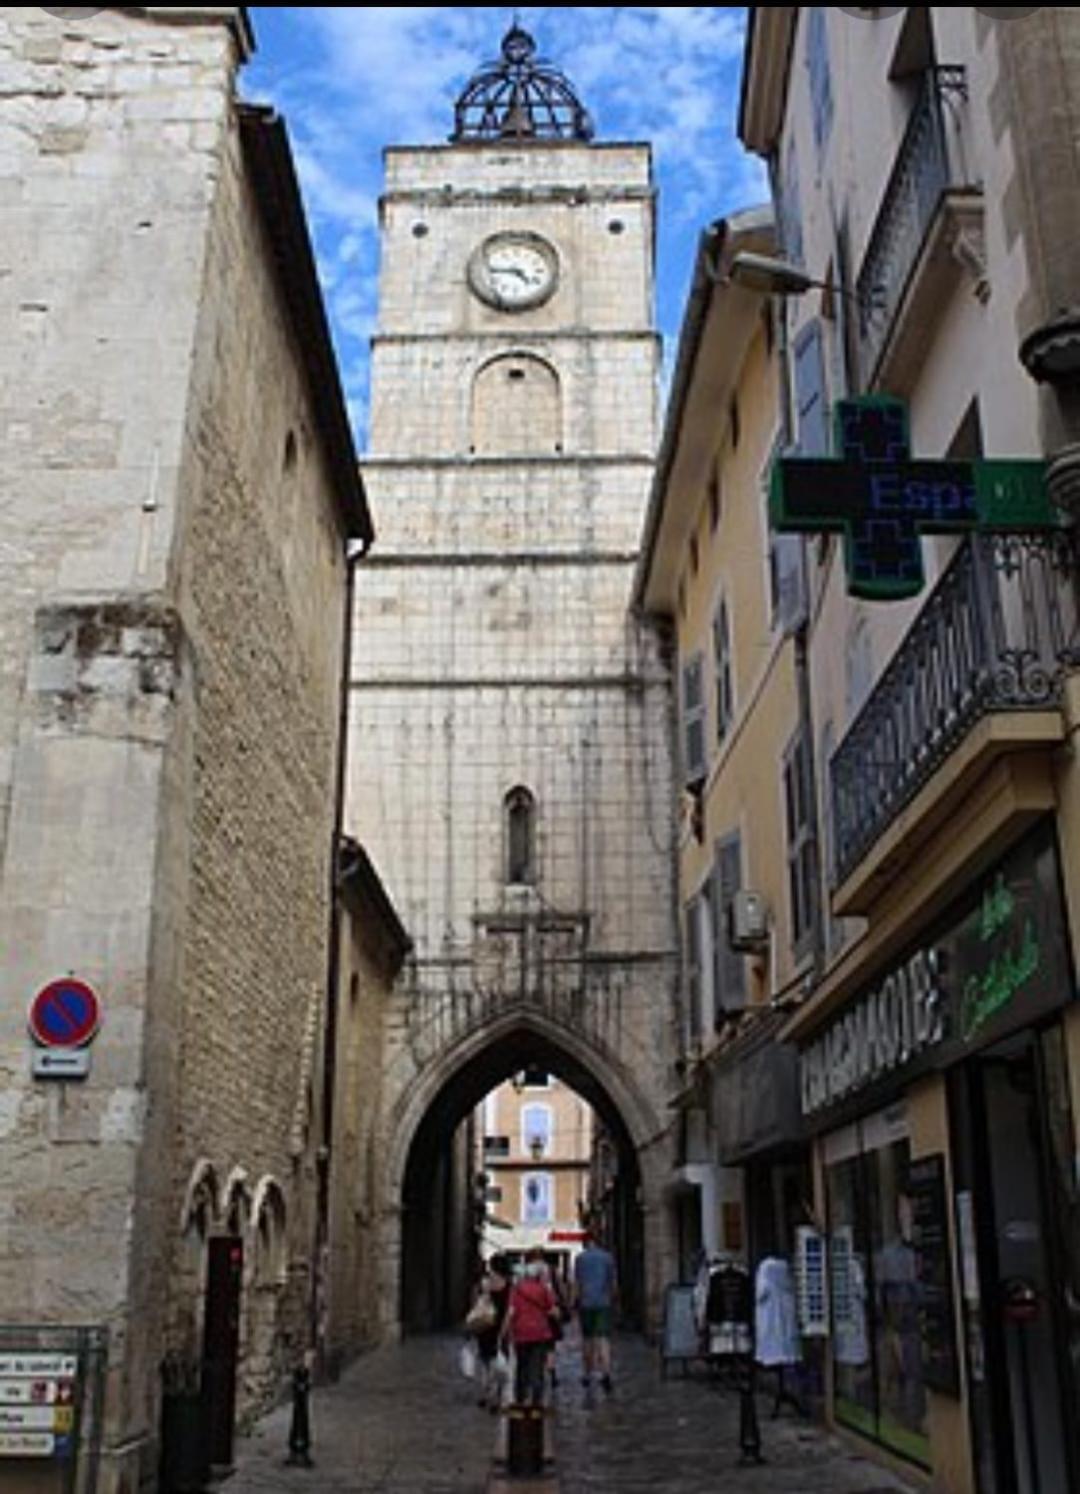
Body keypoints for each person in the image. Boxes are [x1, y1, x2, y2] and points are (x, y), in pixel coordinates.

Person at [501, 1247, 560, 1406]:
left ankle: (520, 1398)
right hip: (540, 1333)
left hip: (520, 1333)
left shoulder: (516, 1290)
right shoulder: (543, 1289)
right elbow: (554, 1310)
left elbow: (511, 1312)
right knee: (537, 1368)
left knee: (522, 1366)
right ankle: (536, 1400)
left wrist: (503, 1333)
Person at [573, 1230, 617, 1395]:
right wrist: (613, 1298)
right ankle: (606, 1372)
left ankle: (587, 1373)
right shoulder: (607, 1258)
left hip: (586, 1303)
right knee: (603, 1339)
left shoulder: (580, 1259)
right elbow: (612, 1281)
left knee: (587, 1340)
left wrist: (573, 1302)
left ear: (585, 1243)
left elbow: (577, 1283)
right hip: (603, 1303)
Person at [471, 1252, 511, 1411]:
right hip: (500, 1328)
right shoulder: (508, 1285)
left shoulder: (482, 1283)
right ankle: (498, 1397)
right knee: (500, 1361)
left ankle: (485, 1394)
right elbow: (509, 1310)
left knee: (485, 1362)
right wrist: (505, 1330)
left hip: (485, 1326)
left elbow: (474, 1304)